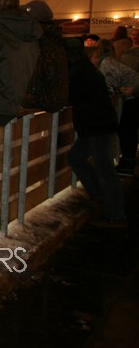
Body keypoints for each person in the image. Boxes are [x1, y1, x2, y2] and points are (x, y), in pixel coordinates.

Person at [65, 37, 127, 227]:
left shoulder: (78, 72)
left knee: (104, 169)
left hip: (96, 126)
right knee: (76, 158)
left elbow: (69, 96)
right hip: (96, 125)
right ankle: (101, 197)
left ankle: (116, 214)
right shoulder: (86, 69)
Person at [91, 39, 139, 176]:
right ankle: (127, 162)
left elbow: (109, 86)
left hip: (134, 98)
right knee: (128, 130)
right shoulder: (113, 62)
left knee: (127, 130)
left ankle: (127, 163)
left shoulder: (107, 64)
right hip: (133, 97)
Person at [21, 0, 69, 113]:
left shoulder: (37, 41)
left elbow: (35, 75)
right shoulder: (53, 39)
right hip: (55, 101)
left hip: (41, 102)